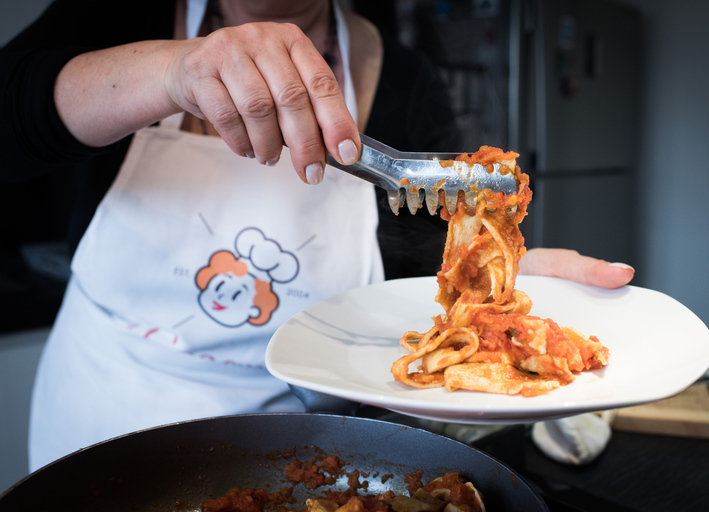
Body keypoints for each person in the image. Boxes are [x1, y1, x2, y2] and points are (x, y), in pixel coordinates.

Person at [1, 0, 634, 471]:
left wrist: (497, 295)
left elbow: (413, 261)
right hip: (99, 419)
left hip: (291, 440)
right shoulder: (119, 11)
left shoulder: (406, 80)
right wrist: (172, 72)